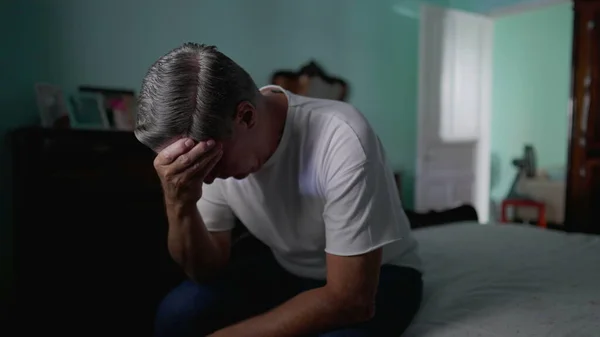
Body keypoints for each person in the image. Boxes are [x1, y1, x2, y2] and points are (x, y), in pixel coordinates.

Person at [135, 42, 423, 337]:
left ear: (246, 117)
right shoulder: (208, 148)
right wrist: (178, 202)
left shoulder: (342, 137)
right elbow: (204, 270)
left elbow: (352, 300)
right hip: (288, 268)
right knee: (178, 314)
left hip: (382, 275)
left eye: (208, 164)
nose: (205, 179)